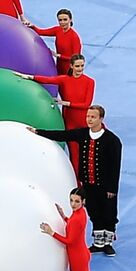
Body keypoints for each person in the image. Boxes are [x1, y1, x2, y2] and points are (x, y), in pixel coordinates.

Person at [34, 106, 122, 255]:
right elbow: (63, 135)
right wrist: (38, 132)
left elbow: (115, 167)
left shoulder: (112, 141)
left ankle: (108, 243)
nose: (89, 120)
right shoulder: (82, 134)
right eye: (88, 116)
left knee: (108, 213)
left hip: (106, 186)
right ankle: (98, 242)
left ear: (101, 119)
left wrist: (112, 188)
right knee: (94, 211)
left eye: (93, 117)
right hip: (88, 184)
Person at [17, 55, 96, 171]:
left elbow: (86, 104)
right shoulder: (64, 79)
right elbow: (48, 80)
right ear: (71, 66)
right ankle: (77, 180)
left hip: (85, 122)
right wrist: (30, 77)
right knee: (74, 155)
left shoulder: (90, 82)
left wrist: (65, 103)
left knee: (87, 154)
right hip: (70, 122)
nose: (80, 69)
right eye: (77, 66)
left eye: (82, 66)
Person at [27, 8, 82, 76]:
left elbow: (76, 59)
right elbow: (41, 32)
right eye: (60, 20)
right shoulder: (58, 30)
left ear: (70, 20)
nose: (62, 22)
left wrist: (59, 56)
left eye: (65, 19)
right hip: (59, 65)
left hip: (70, 69)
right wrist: (32, 26)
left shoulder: (74, 37)